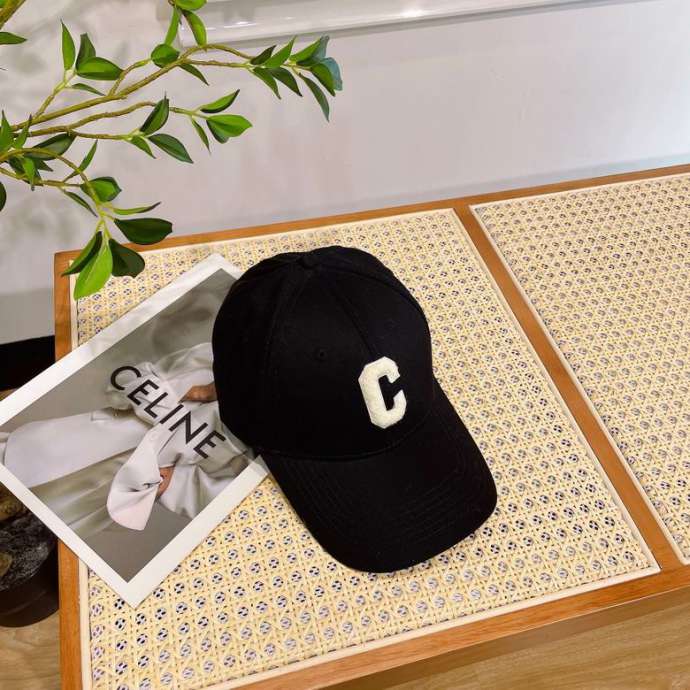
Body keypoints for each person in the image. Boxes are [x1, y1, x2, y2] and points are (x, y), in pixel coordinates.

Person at [0, 343, 249, 540]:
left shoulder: (260, 453)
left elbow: (230, 502)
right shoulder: (219, 356)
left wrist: (174, 484)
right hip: (73, 441)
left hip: (105, 494)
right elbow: (121, 381)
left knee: (21, 534)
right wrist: (194, 393)